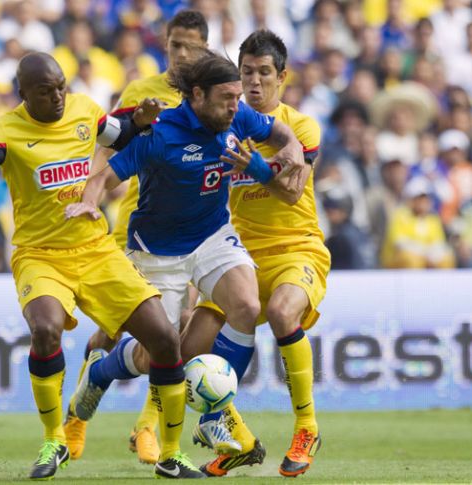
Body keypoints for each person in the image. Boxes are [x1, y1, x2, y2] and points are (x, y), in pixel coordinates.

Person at [0, 52, 204, 480]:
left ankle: (170, 453)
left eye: (60, 87)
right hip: (40, 255)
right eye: (44, 91)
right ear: (23, 95)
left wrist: (141, 122)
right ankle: (54, 438)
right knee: (46, 328)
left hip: (95, 248)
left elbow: (120, 135)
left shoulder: (84, 110)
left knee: (165, 338)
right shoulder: (3, 129)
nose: (56, 97)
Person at [64, 49, 306, 465]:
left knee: (247, 305)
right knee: (159, 353)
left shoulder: (237, 116)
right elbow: (106, 175)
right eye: (226, 97)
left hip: (212, 234)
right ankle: (100, 373)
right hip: (158, 252)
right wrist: (89, 202)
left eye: (237, 97)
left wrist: (293, 152)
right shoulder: (161, 134)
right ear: (197, 94)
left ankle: (215, 416)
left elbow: (280, 131)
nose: (237, 105)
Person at [61, 9, 210, 466]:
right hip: (137, 225)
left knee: (176, 327)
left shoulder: (212, 94)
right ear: (164, 44)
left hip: (189, 229)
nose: (181, 54)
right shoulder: (141, 92)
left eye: (190, 46)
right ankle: (78, 414)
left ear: (204, 47)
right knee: (113, 328)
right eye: (174, 45)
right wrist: (94, 189)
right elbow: (109, 144)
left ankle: (147, 426)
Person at [181, 30, 328, 478]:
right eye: (247, 73)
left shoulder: (300, 127)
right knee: (189, 352)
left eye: (265, 73)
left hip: (295, 249)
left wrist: (255, 166)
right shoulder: (221, 125)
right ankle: (239, 440)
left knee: (285, 314)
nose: (255, 82)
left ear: (282, 77)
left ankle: (307, 427)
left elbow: (290, 192)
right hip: (238, 256)